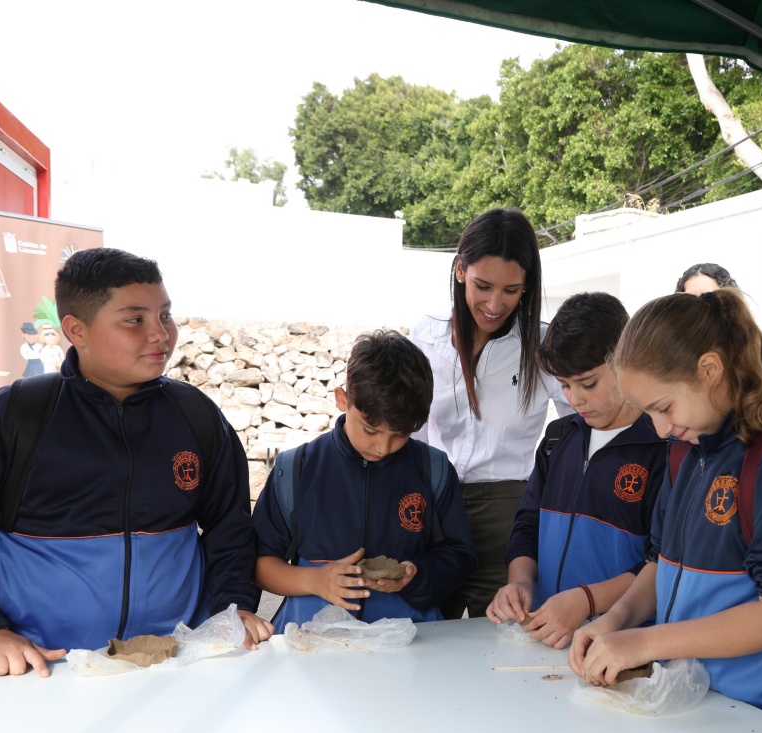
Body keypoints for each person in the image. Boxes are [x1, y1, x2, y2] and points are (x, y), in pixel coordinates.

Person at [0, 247, 272, 733]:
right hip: (37, 680)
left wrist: (232, 608)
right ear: (75, 330)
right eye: (135, 319)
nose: (161, 333)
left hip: (170, 675)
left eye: (165, 314)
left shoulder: (195, 417)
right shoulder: (14, 418)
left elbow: (228, 528)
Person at [568, 288, 762, 721]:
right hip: (691, 700)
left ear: (710, 370)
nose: (659, 429)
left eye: (663, 408)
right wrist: (616, 618)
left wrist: (645, 642)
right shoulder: (686, 445)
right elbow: (659, 561)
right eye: (648, 414)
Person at [410, 208, 572, 620]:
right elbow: (407, 430)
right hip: (430, 511)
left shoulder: (543, 346)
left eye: (512, 290)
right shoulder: (426, 337)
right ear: (460, 269)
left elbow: (581, 423)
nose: (495, 304)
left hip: (507, 516)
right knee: (423, 641)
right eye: (483, 285)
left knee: (503, 643)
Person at [254, 330, 476, 628]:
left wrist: (415, 573)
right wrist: (314, 580)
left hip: (409, 646)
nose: (383, 448)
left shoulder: (433, 469)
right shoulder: (295, 469)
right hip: (312, 645)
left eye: (400, 434)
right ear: (342, 399)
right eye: (371, 430)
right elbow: (259, 563)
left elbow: (461, 557)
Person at [486, 293, 666, 648]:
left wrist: (585, 601)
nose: (575, 399)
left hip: (622, 646)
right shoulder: (557, 440)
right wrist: (520, 583)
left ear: (625, 363)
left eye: (588, 383)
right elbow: (527, 525)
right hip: (545, 638)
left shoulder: (662, 448)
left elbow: (662, 563)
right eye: (564, 385)